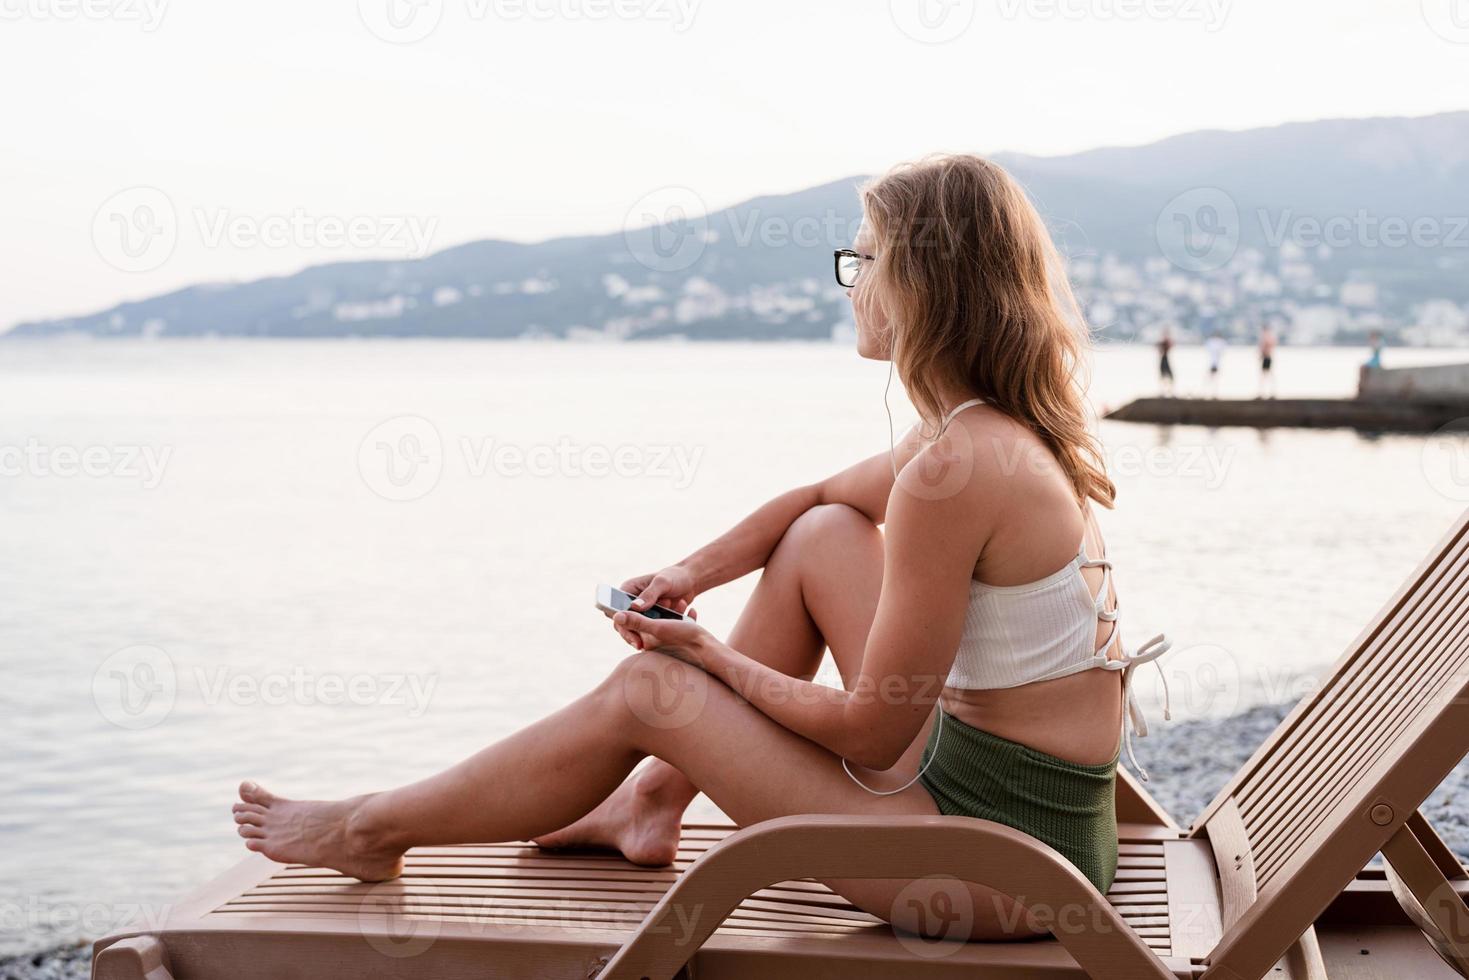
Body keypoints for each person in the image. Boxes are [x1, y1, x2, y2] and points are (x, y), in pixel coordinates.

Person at [231, 156, 1168, 941]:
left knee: (651, 691)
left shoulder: (954, 469)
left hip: (996, 870)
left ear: (924, 286)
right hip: (1027, 817)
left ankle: (369, 827)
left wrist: (707, 657)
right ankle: (650, 802)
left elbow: (872, 731)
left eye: (866, 260)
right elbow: (813, 501)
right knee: (820, 537)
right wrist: (688, 577)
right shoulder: (983, 433)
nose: (853, 284)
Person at [1258, 324, 1277, 399]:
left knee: (1265, 375)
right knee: (1266, 375)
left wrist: (1262, 354)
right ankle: (1267, 392)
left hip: (1267, 358)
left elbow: (1266, 347)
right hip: (1267, 357)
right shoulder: (1270, 337)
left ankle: (1266, 393)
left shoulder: (1266, 337)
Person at [1205, 331, 1226, 397]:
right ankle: (1210, 392)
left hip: (1215, 363)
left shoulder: (1217, 342)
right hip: (1213, 363)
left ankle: (1212, 392)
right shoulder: (1215, 342)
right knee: (1211, 377)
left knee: (1213, 377)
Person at [1158, 327, 1175, 396]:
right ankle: (1164, 391)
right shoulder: (1163, 342)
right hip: (1164, 359)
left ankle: (1168, 391)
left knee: (1167, 376)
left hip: (1165, 359)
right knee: (1165, 376)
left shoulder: (1165, 342)